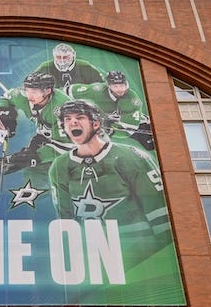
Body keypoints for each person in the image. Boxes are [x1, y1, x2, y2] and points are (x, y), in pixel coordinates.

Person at [48, 100, 170, 245]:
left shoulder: (131, 157)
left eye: (80, 117)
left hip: (139, 251)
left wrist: (162, 253)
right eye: (67, 119)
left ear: (95, 124)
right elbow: (66, 220)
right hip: (93, 255)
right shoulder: (60, 166)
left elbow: (158, 209)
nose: (72, 122)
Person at [0, 72, 73, 181]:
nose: (29, 96)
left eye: (34, 92)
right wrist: (6, 116)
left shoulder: (62, 108)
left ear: (48, 91)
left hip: (71, 144)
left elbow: (66, 146)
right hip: (43, 135)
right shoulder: (22, 96)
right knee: (30, 170)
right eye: (27, 90)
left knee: (53, 171)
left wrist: (34, 157)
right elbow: (6, 96)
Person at [64, 70, 153, 150]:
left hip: (137, 125)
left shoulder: (132, 100)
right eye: (115, 86)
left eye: (122, 85)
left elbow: (127, 131)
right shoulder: (96, 91)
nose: (120, 90)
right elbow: (68, 90)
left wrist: (110, 131)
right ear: (108, 86)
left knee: (150, 146)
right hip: (110, 121)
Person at [33, 42, 104, 88]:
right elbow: (30, 85)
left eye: (66, 57)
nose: (62, 61)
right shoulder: (45, 67)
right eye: (58, 57)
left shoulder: (85, 66)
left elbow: (100, 86)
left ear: (74, 55)